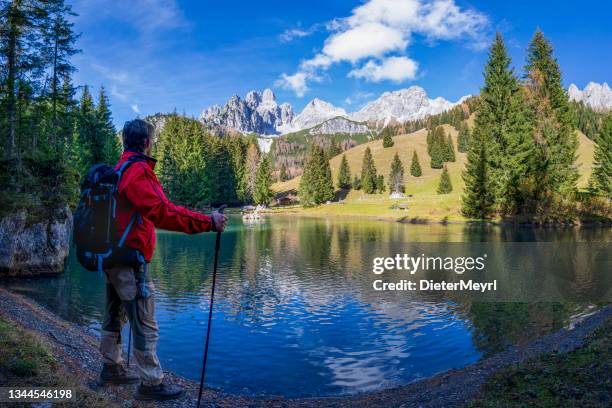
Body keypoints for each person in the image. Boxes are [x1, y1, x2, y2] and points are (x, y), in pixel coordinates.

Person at [98, 119, 227, 401]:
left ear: (125, 141)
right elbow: (162, 211)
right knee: (144, 321)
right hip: (130, 259)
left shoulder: (117, 169)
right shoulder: (137, 171)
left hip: (110, 257)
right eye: (151, 140)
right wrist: (208, 222)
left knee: (115, 313)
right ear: (146, 142)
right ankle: (151, 384)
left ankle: (112, 368)